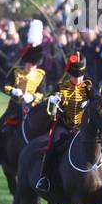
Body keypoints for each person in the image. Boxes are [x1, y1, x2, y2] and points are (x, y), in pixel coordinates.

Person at [35, 52, 93, 193]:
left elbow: (97, 100)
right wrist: (53, 100)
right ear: (70, 75)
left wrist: (90, 101)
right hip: (65, 126)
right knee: (52, 147)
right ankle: (45, 178)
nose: (78, 79)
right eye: (75, 76)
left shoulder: (88, 86)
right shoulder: (62, 86)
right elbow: (49, 100)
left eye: (80, 76)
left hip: (83, 126)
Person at [0, 43, 46, 170]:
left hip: (33, 109)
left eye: (32, 64)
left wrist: (32, 97)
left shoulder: (41, 75)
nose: (30, 66)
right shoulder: (16, 72)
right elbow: (4, 85)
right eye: (28, 63)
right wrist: (13, 91)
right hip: (15, 108)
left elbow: (43, 93)